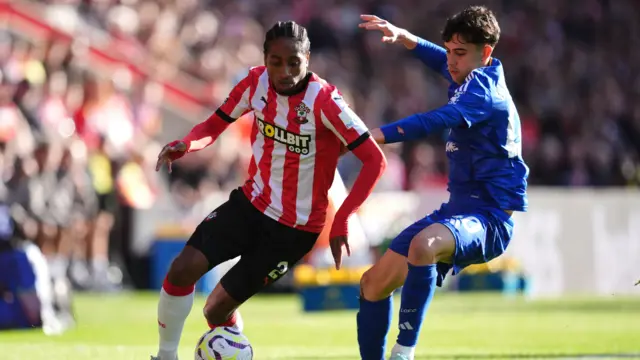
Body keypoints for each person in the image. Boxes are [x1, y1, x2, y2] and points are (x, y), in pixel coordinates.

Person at [152, 21, 387, 360]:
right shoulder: (254, 82)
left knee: (215, 312)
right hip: (251, 203)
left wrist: (343, 219)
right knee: (182, 268)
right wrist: (187, 144)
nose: (285, 71)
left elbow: (374, 161)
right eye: (276, 61)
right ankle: (165, 356)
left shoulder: (326, 101)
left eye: (294, 62)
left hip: (294, 230)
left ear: (307, 59)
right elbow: (216, 123)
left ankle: (231, 346)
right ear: (265, 59)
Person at [354, 6, 529, 360]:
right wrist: (408, 39)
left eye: (460, 53)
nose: (451, 61)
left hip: (489, 217)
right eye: (449, 49)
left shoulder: (483, 90)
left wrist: (378, 135)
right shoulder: (472, 73)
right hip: (457, 210)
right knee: (372, 285)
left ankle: (404, 352)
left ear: (486, 53)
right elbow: (442, 62)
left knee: (424, 244)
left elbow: (443, 117)